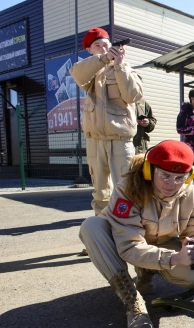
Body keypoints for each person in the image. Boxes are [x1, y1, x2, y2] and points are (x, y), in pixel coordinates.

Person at [79, 140, 194, 328]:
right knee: (91, 226)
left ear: (189, 175)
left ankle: (146, 270)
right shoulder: (127, 189)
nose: (171, 184)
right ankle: (132, 300)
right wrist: (173, 258)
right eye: (165, 175)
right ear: (150, 171)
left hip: (159, 241)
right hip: (120, 240)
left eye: (179, 178)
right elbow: (129, 245)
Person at [70, 28, 142, 216]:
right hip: (95, 140)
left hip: (120, 139)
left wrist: (119, 66)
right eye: (98, 46)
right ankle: (102, 229)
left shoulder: (126, 69)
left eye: (106, 45)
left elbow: (133, 95)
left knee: (126, 188)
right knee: (100, 192)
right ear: (90, 50)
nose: (103, 49)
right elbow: (77, 74)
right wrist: (103, 59)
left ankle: (127, 231)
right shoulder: (90, 70)